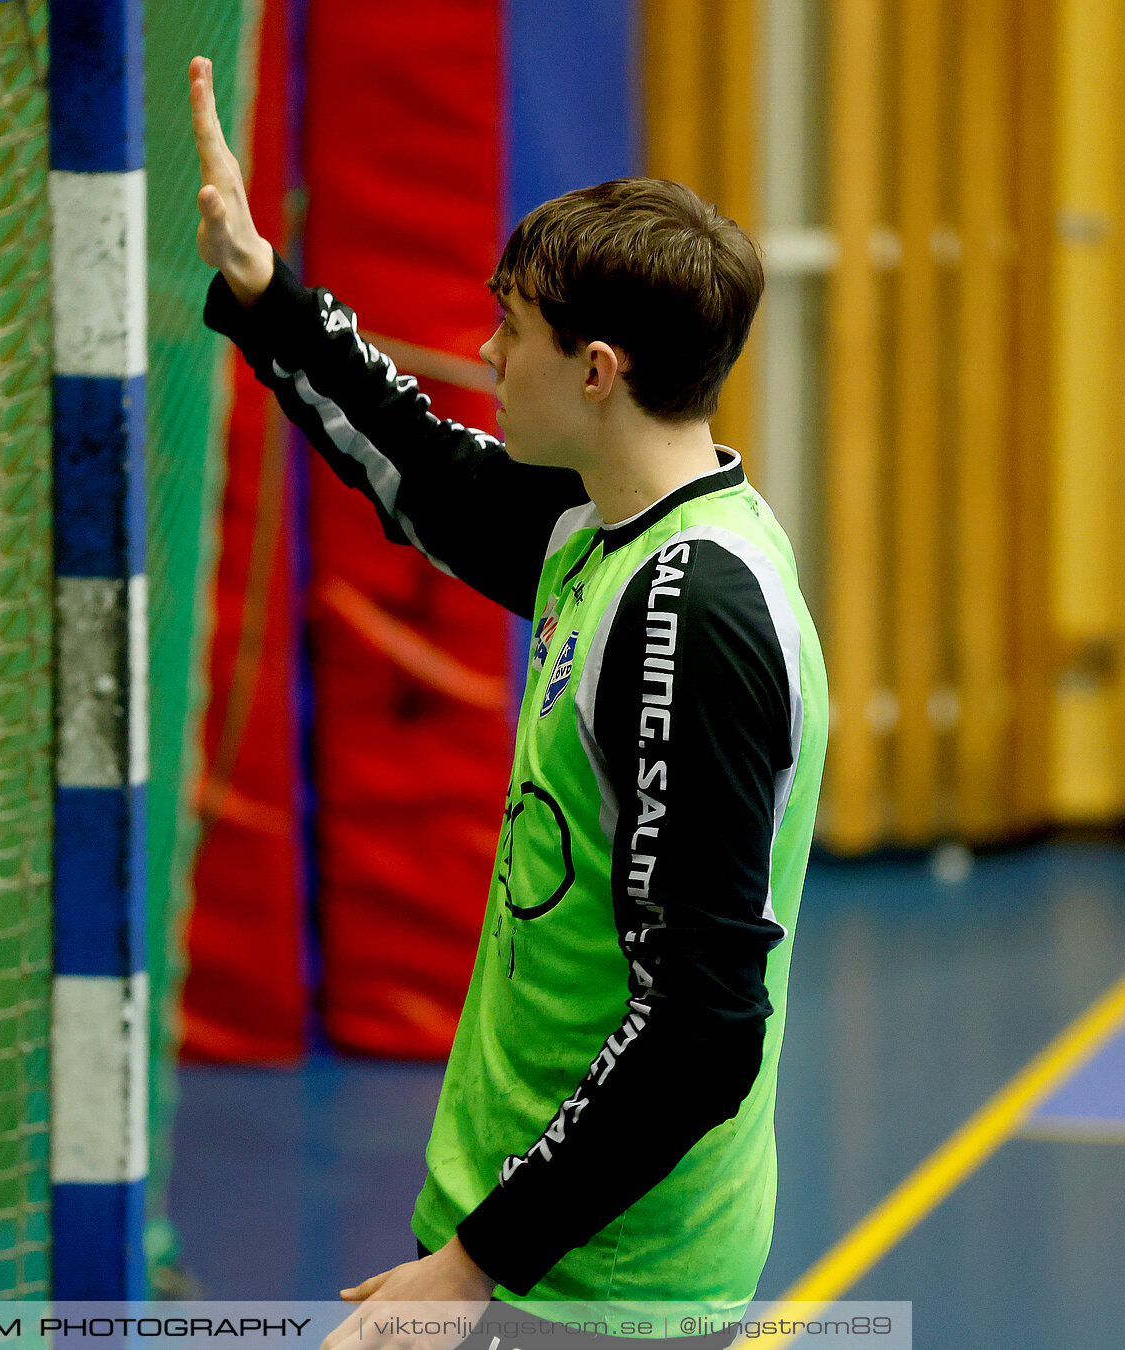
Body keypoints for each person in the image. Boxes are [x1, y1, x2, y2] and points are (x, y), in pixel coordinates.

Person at [189, 54, 829, 1349]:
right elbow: (425, 468)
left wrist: (479, 1261)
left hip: (602, 1275)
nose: (484, 354)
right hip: (534, 1224)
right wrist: (267, 294)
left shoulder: (688, 617)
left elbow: (702, 1027)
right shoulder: (619, 524)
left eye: (510, 328)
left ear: (595, 368)